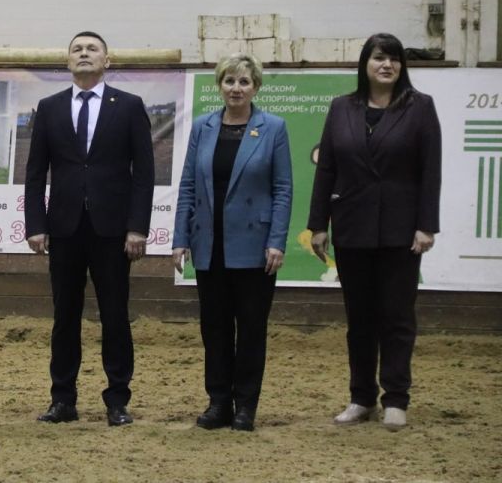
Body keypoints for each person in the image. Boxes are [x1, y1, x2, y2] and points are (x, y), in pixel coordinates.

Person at [308, 33, 441, 430]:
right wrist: (318, 224)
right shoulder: (341, 108)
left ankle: (396, 398)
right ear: (365, 64)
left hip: (401, 231)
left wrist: (426, 225)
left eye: (394, 59)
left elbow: (430, 170)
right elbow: (327, 169)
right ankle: (361, 397)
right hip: (352, 229)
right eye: (380, 58)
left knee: (397, 317)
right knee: (360, 320)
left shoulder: (420, 107)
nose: (387, 65)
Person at [24, 31, 155, 427]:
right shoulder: (49, 107)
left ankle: (117, 400)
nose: (84, 53)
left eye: (92, 49)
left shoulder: (129, 106)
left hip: (112, 230)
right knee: (65, 316)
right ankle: (62, 399)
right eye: (77, 49)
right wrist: (35, 224)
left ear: (106, 61)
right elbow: (35, 173)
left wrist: (137, 227)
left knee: (114, 315)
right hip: (64, 229)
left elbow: (143, 173)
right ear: (68, 61)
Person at [172, 53, 292, 432]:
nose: (236, 88)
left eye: (244, 81)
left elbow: (283, 189)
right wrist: (180, 238)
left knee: (251, 329)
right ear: (219, 85)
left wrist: (277, 241)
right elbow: (188, 185)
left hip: (256, 248)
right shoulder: (202, 127)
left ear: (255, 87)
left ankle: (246, 406)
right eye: (229, 81)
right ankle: (219, 403)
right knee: (215, 329)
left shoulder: (273, 128)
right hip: (210, 246)